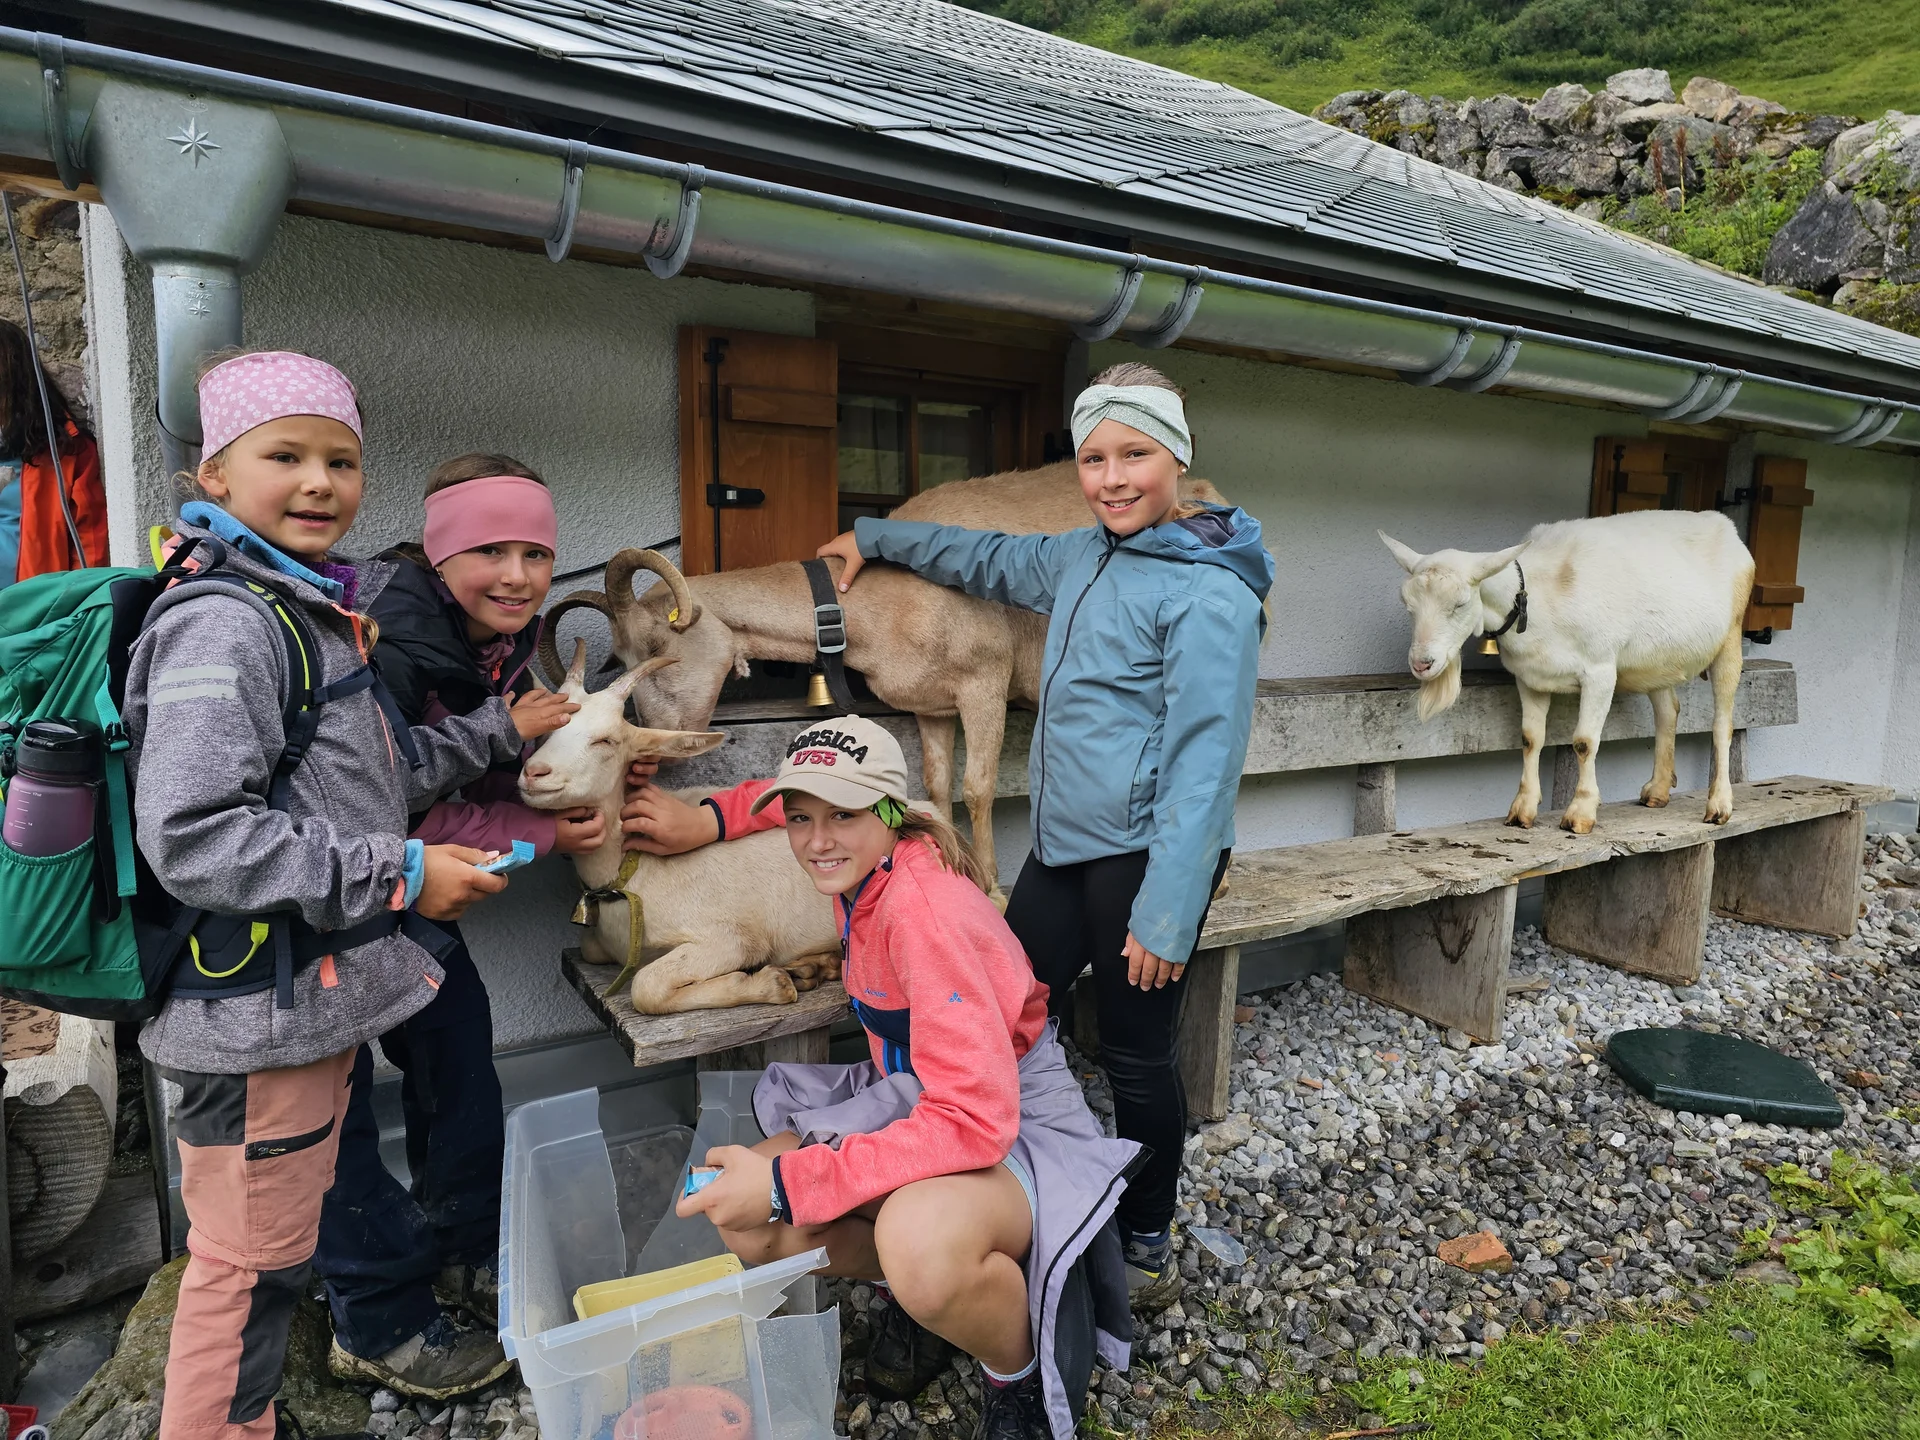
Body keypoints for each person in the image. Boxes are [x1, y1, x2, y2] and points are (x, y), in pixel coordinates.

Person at [124, 350, 575, 1440]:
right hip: (251, 1012)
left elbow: (371, 776)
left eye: (341, 459)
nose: (320, 483)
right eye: (285, 456)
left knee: (271, 1259)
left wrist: (492, 735)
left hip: (305, 995)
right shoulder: (225, 622)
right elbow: (194, 835)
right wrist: (410, 870)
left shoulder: (306, 610)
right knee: (245, 1275)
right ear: (215, 473)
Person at [809, 362, 1272, 1305]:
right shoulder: (1078, 554)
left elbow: (1205, 768)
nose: (1110, 476)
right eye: (1092, 457)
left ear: (1178, 458)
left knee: (1137, 1052)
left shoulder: (1211, 596)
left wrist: (1169, 912)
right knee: (1008, 1007)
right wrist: (869, 535)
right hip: (1064, 849)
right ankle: (1030, 1187)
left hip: (1148, 861)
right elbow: (979, 557)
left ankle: (1143, 1236)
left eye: (1135, 454)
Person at [672, 717, 1136, 1440]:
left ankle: (1016, 1374)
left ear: (889, 814)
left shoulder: (925, 916)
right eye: (800, 818)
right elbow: (771, 796)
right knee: (750, 1228)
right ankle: (927, 1298)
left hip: (1004, 1114)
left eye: (843, 815)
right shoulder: (865, 864)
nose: (816, 840)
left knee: (912, 1241)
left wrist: (786, 1182)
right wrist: (704, 817)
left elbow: (976, 1118)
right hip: (918, 1095)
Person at [314, 454, 601, 1396]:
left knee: (460, 1052)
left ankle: (465, 1249)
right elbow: (385, 802)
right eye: (490, 550)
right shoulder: (392, 645)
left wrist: (572, 785)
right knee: (336, 1106)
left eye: (537, 553)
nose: (517, 574)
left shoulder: (489, 638)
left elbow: (469, 781)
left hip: (399, 886)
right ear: (441, 553)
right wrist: (544, 831)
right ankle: (378, 1320)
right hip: (328, 902)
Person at [0, 317, 105, 585]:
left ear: (16, 387)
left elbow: (89, 549)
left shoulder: (66, 452)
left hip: (33, 613)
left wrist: (72, 608)